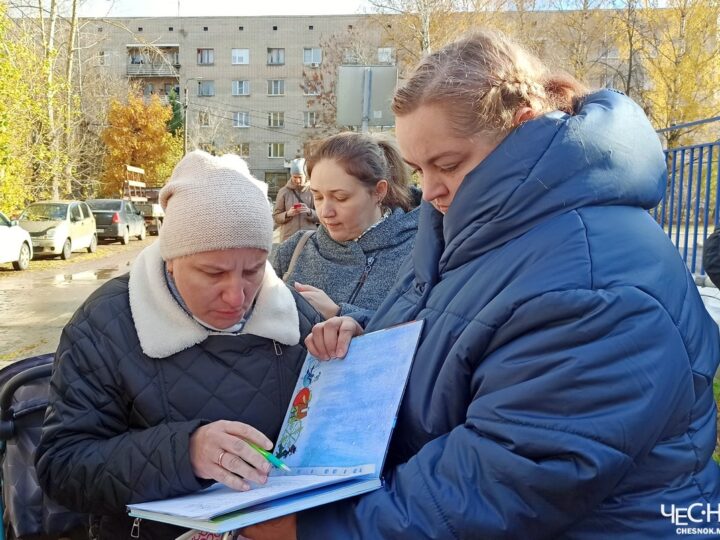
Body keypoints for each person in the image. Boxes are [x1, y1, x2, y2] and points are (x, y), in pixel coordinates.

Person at [245, 30, 720, 539]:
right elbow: (457, 331)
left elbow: (502, 482)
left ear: (523, 128)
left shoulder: (593, 281)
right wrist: (368, 343)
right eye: (419, 169)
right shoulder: (470, 226)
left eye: (447, 165)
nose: (429, 190)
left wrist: (315, 530)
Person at [35, 151, 317, 539]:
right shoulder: (107, 323)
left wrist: (351, 338)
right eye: (212, 272)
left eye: (253, 270)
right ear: (172, 260)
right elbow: (63, 467)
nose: (237, 296)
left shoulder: (294, 315)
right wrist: (186, 453)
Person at [271, 132, 419, 320]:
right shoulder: (294, 250)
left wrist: (342, 315)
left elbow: (426, 333)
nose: (325, 212)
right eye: (317, 197)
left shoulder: (419, 255)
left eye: (341, 198)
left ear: (378, 192)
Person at [272, 157, 319, 242]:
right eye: (295, 177)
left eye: (300, 177)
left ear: (306, 176)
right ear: (291, 175)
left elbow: (322, 216)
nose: (297, 180)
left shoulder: (313, 191)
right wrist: (287, 214)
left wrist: (309, 211)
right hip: (288, 238)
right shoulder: (284, 192)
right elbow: (276, 217)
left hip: (309, 239)